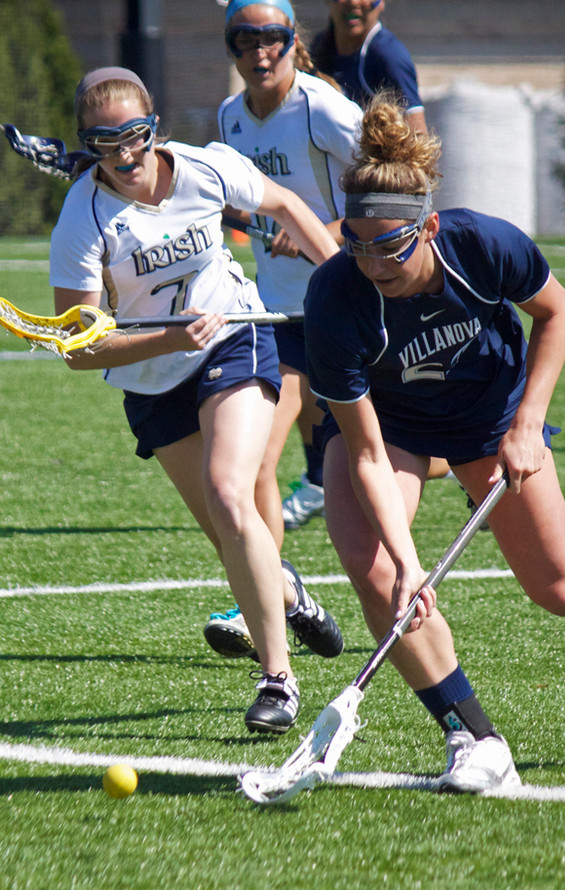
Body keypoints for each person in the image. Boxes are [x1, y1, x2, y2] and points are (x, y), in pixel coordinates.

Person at [303, 93, 565, 792]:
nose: (374, 265)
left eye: (390, 246)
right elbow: (362, 452)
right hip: (391, 427)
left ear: (429, 227)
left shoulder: (481, 245)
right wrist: (408, 562)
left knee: (560, 587)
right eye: (357, 246)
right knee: (379, 572)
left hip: (489, 416)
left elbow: (555, 310)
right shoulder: (334, 300)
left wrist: (528, 422)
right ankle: (473, 739)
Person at [48, 66, 344, 735]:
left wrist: (343, 288)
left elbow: (288, 207)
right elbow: (78, 348)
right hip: (152, 379)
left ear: (156, 128)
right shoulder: (83, 221)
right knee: (232, 538)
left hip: (233, 338)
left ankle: (277, 679)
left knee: (230, 494)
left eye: (135, 136)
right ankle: (290, 591)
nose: (124, 154)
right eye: (105, 142)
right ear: (87, 144)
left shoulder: (207, 170)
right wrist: (163, 338)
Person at [201, 0, 363, 654]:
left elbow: (397, 194)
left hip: (351, 307)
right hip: (276, 318)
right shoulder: (228, 120)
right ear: (232, 48)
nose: (259, 51)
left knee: (411, 458)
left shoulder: (325, 110)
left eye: (272, 38)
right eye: (245, 40)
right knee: (256, 462)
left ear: (294, 41)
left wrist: (318, 234)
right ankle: (269, 591)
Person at [311, 0, 427, 134]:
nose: (353, 3)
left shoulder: (388, 56)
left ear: (381, 3)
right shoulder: (319, 48)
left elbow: (417, 138)